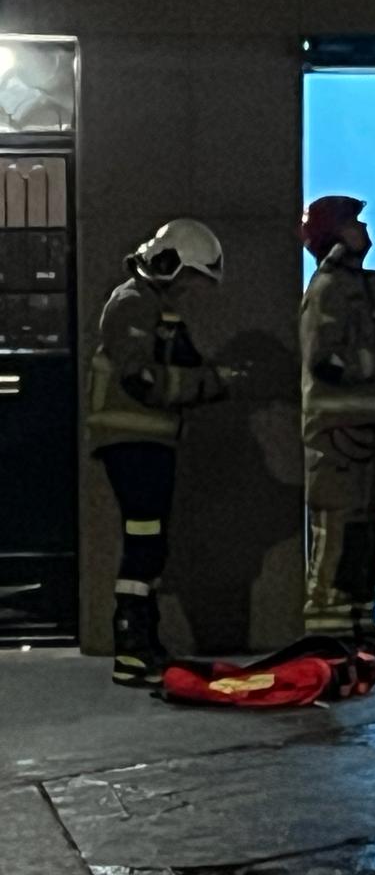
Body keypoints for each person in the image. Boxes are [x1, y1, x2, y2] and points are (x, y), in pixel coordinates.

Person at [86, 219, 238, 687]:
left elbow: (187, 369)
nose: (192, 291)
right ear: (169, 265)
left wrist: (214, 380)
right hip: (131, 444)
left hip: (150, 443)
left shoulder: (157, 307)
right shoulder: (131, 304)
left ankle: (144, 644)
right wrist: (212, 382)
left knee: (150, 544)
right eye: (191, 279)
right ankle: (131, 646)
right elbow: (143, 379)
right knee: (144, 542)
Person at [298, 196, 375, 657]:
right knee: (338, 539)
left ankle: (359, 625)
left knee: (367, 539)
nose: (364, 229)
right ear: (335, 236)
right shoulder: (330, 290)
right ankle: (327, 633)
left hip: (365, 434)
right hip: (337, 439)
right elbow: (327, 363)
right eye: (354, 223)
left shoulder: (360, 287)